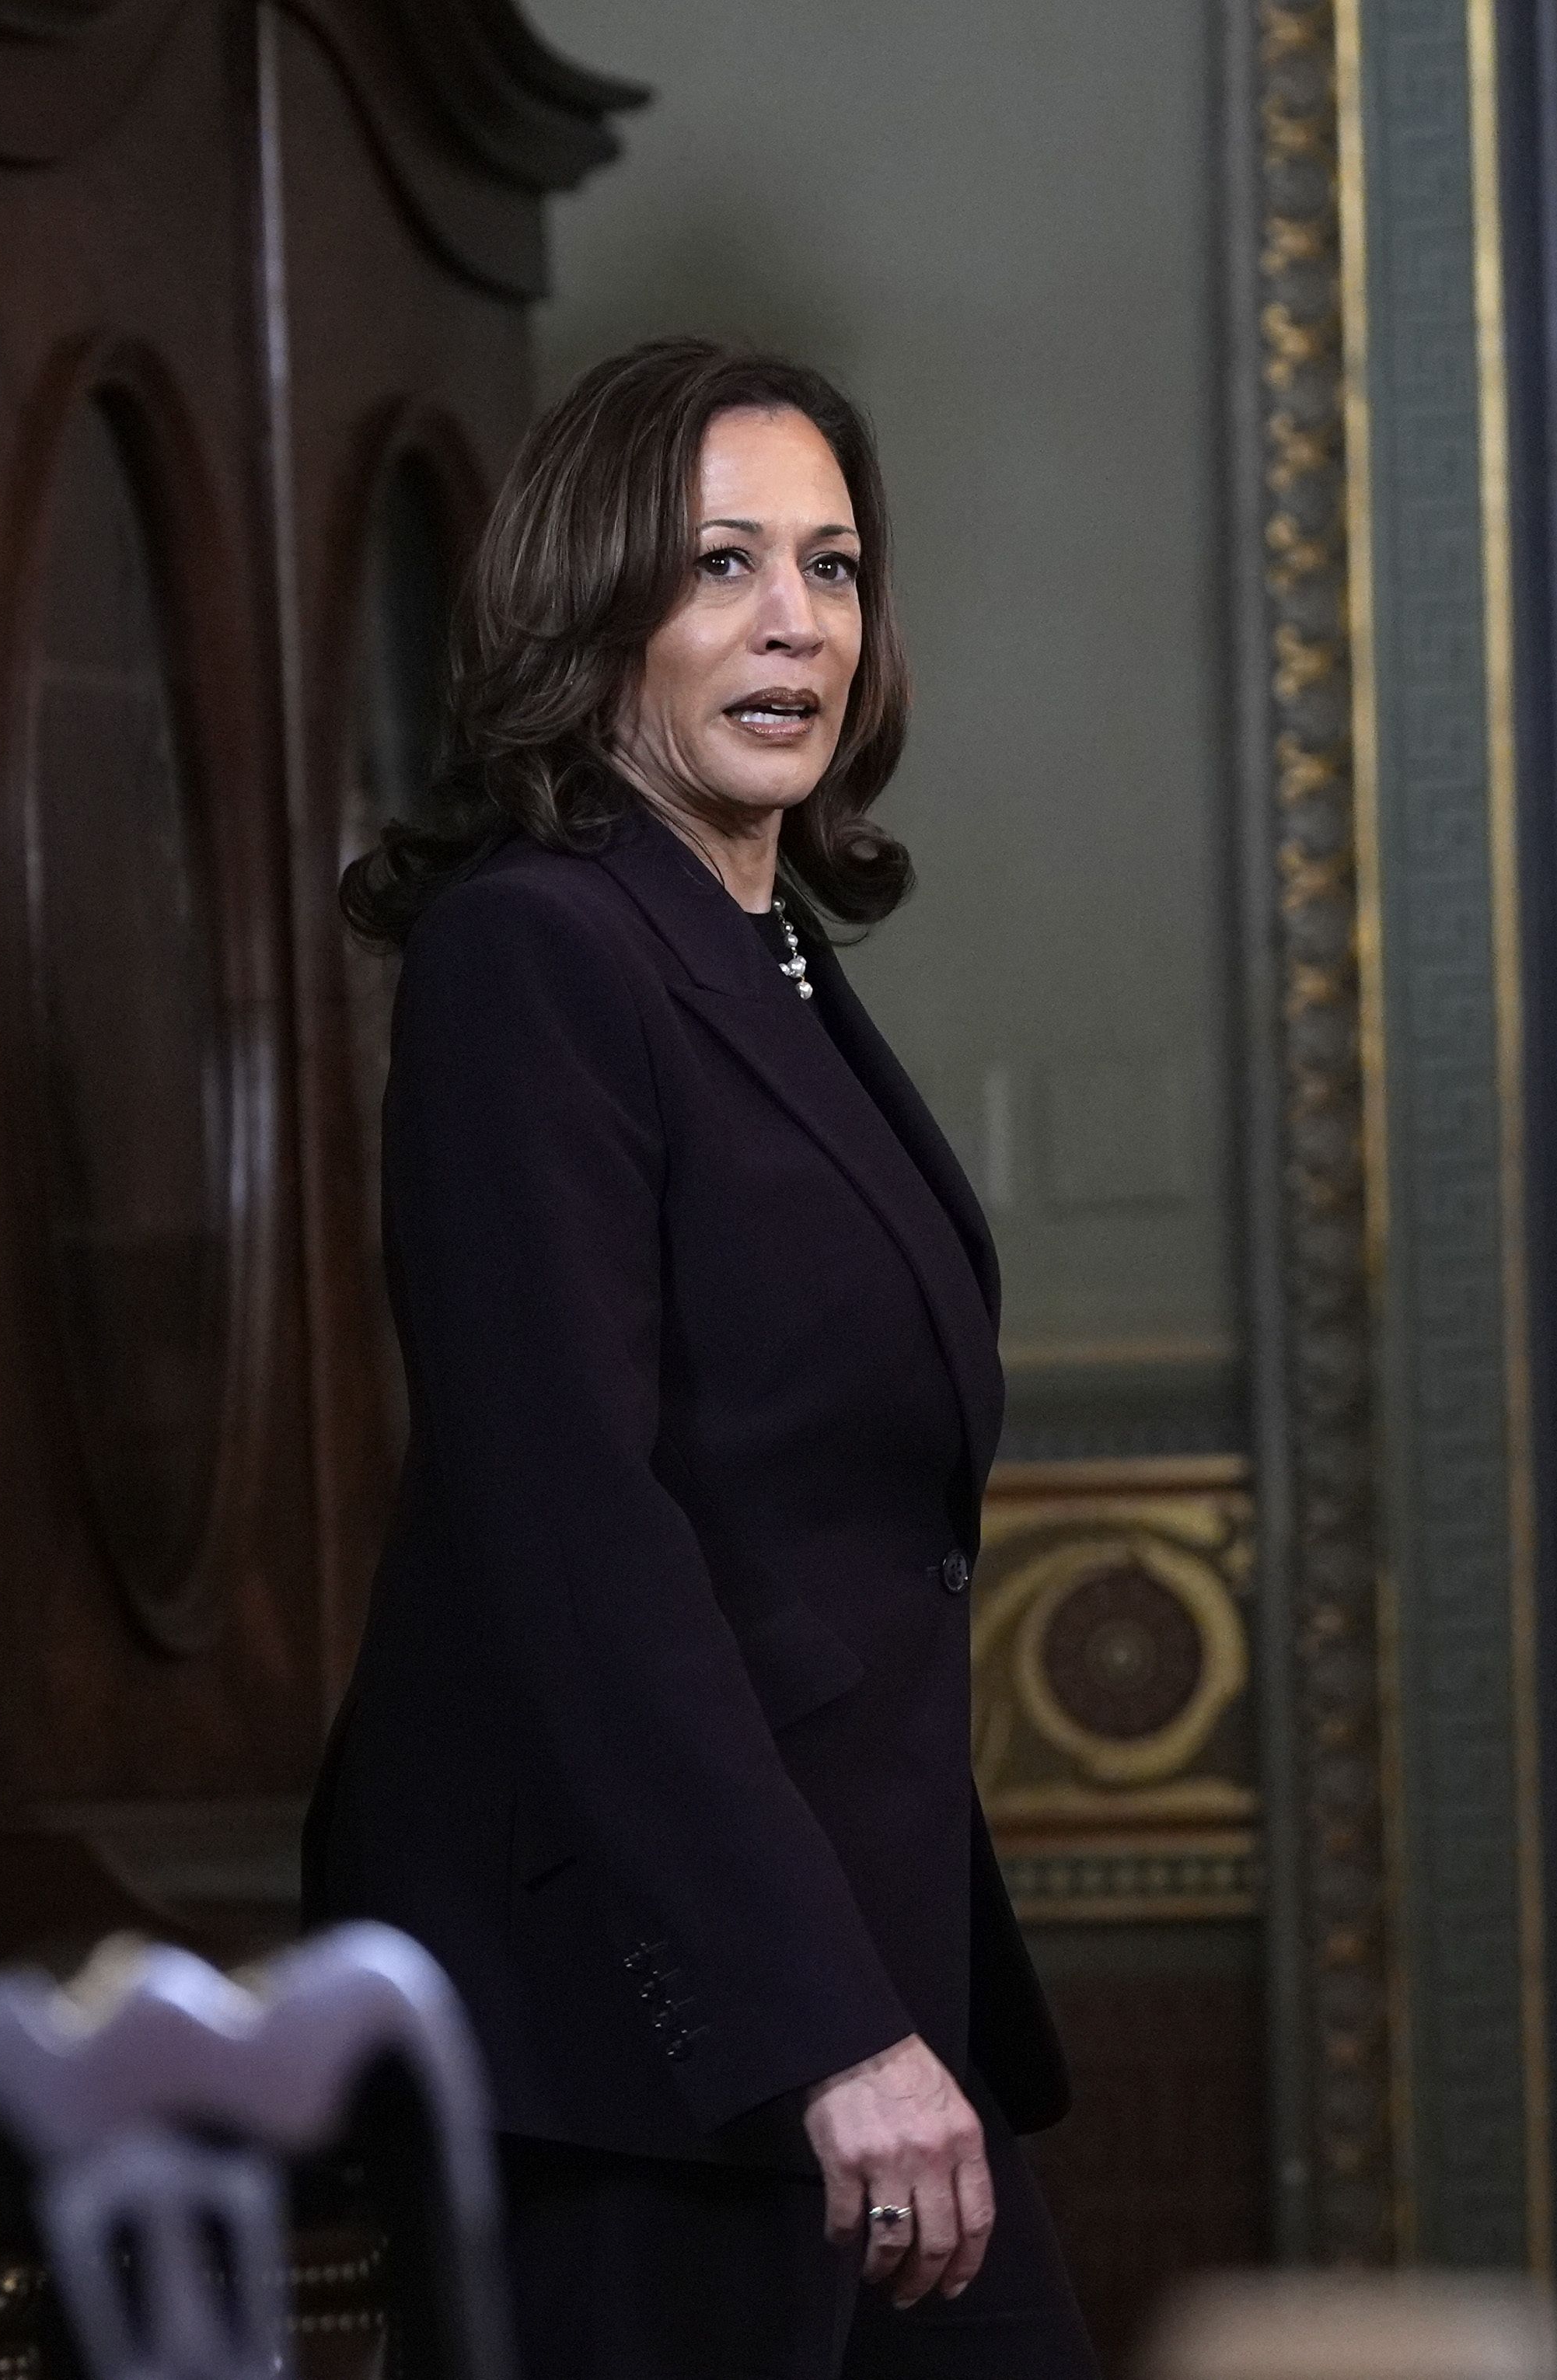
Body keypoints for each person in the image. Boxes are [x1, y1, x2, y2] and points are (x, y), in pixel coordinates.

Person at [302, 338, 1098, 2376]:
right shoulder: (536, 949)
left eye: (831, 568)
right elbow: (580, 1535)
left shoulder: (769, 946)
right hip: (648, 2032)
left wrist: (870, 2003)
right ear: (595, 611)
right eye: (722, 563)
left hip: (851, 1970)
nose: (794, 624)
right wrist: (815, 2021)